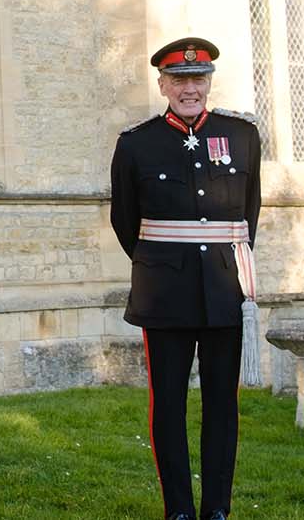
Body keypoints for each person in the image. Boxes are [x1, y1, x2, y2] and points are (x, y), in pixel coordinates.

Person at [110, 37, 261, 520]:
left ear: (209, 82)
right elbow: (125, 221)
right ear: (163, 85)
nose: (189, 88)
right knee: (168, 406)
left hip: (223, 289)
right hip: (165, 294)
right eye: (179, 79)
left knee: (222, 406)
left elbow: (248, 215)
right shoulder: (136, 144)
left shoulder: (242, 137)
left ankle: (217, 509)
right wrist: (162, 263)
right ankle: (179, 509)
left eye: (198, 79)